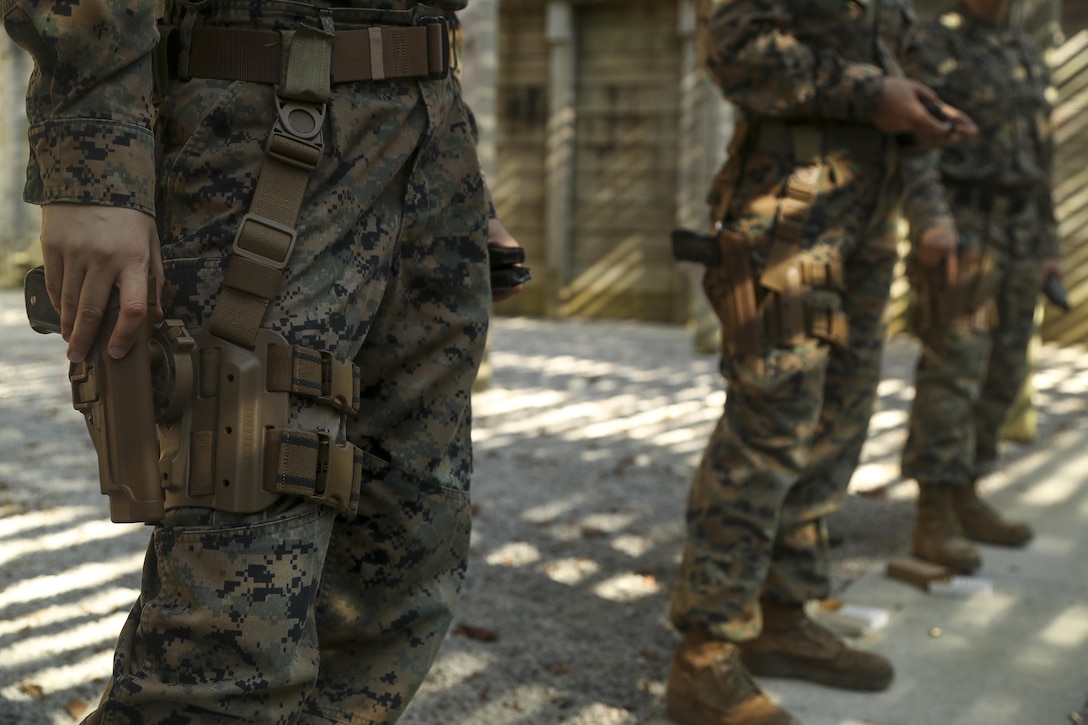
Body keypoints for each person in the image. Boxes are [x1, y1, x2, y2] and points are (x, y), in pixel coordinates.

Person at [3, 0, 522, 722]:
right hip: (256, 117)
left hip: (425, 127)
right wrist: (93, 160)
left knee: (394, 572)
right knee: (228, 638)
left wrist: (449, 151)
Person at [664, 2, 977, 724]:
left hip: (868, 215)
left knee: (838, 423)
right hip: (789, 207)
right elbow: (731, 47)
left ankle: (781, 611)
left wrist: (925, 170)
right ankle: (704, 654)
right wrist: (874, 94)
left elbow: (905, 86)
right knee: (769, 426)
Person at [899, 0, 1062, 573]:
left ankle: (967, 489)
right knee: (955, 370)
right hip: (964, 223)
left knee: (1004, 368)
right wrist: (930, 220)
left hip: (1019, 226)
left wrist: (1049, 246)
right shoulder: (934, 41)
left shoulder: (1023, 48)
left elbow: (1043, 157)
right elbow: (912, 142)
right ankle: (932, 514)